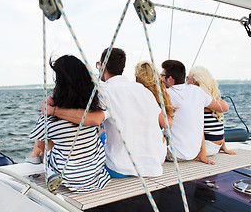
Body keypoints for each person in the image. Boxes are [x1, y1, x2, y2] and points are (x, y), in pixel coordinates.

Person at [45, 48, 167, 178]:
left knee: (97, 137)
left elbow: (95, 120)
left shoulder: (105, 90)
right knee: (104, 134)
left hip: (121, 168)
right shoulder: (144, 90)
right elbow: (162, 121)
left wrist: (54, 111)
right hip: (154, 165)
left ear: (102, 66)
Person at [28, 55, 110, 193]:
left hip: (70, 177)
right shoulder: (93, 108)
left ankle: (46, 169)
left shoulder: (51, 118)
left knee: (45, 142)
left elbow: (40, 145)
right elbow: (98, 119)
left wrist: (49, 111)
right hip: (95, 175)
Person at [161, 60, 229, 164]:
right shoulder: (197, 91)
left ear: (169, 79)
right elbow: (222, 107)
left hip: (174, 154)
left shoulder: (165, 94)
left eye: (161, 75)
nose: (160, 78)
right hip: (194, 152)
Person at [187, 66, 236, 156]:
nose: (186, 81)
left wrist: (203, 153)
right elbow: (219, 123)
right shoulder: (214, 100)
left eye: (187, 78)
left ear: (193, 81)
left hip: (206, 147)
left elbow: (199, 129)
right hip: (216, 146)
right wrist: (223, 146)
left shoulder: (200, 100)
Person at [134, 61, 175, 128]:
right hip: (155, 136)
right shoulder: (161, 96)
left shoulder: (135, 95)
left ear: (136, 79)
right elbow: (168, 124)